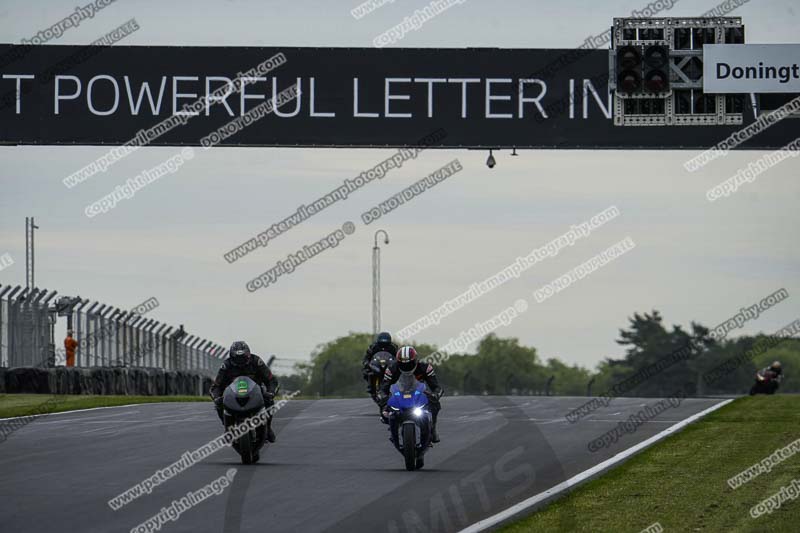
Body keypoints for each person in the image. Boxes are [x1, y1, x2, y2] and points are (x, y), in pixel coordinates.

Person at [209, 341, 279, 442]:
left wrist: (271, 392)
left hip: (256, 392)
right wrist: (216, 398)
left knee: (269, 400)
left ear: (248, 355)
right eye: (237, 358)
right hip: (234, 394)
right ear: (232, 357)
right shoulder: (226, 365)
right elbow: (216, 386)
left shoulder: (256, 361)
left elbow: (271, 380)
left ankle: (267, 427)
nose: (240, 361)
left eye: (243, 358)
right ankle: (228, 429)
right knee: (219, 404)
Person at [378, 345, 443, 443]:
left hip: (419, 394)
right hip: (399, 394)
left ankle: (432, 429)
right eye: (403, 364)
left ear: (415, 360)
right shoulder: (391, 369)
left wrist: (435, 394)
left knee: (435, 405)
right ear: (398, 362)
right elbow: (383, 388)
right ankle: (393, 429)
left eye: (409, 363)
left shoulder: (425, 367)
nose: (406, 366)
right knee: (385, 411)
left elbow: (437, 387)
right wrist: (383, 397)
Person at [361, 331, 399, 397]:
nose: (384, 341)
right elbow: (367, 357)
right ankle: (371, 386)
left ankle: (395, 387)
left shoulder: (393, 347)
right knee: (367, 371)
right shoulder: (373, 347)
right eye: (382, 339)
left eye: (385, 339)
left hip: (389, 365)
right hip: (376, 365)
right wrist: (366, 363)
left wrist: (397, 363)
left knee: (398, 372)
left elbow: (398, 356)